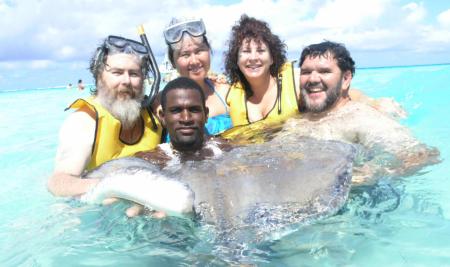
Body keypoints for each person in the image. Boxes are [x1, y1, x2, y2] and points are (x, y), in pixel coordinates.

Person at [278, 41, 440, 183]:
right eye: (306, 72)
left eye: (324, 71)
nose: (312, 79)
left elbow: (421, 156)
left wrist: (362, 176)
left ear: (346, 79)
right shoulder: (296, 120)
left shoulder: (360, 118)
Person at [224, 14, 406, 128]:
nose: (253, 58)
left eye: (261, 51)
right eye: (245, 52)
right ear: (236, 59)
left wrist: (373, 102)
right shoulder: (230, 92)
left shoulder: (294, 81)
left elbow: (338, 93)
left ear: (272, 57)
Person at [48, 35, 163, 203]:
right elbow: (58, 182)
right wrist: (119, 187)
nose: (126, 81)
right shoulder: (85, 120)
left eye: (134, 74)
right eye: (117, 72)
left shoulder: (153, 110)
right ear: (99, 77)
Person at [136, 76, 230, 168]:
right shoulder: (148, 162)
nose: (186, 119)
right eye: (176, 110)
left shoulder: (227, 150)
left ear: (206, 115)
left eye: (194, 110)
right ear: (163, 117)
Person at [161, 18, 232, 136]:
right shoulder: (160, 101)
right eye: (185, 54)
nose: (194, 61)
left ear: (209, 51)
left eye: (199, 51)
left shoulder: (227, 93)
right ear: (173, 62)